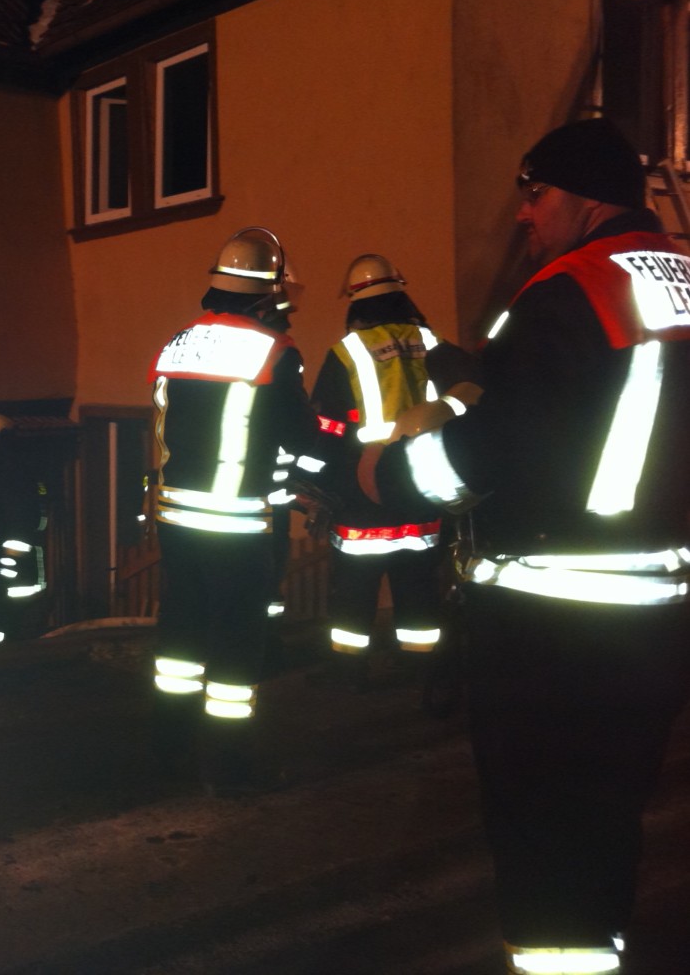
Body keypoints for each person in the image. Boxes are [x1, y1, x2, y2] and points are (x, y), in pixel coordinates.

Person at [368, 117, 690, 974]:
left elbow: (495, 453)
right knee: (606, 819)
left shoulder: (568, 289)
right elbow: (597, 402)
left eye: (534, 193)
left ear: (585, 200)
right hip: (658, 615)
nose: (522, 214)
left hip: (552, 628)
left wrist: (382, 475)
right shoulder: (679, 278)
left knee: (544, 836)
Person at [147, 227, 318, 794]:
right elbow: (298, 434)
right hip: (237, 521)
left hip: (176, 518)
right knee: (236, 642)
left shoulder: (177, 343)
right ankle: (228, 767)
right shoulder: (274, 351)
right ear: (269, 293)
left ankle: (167, 750)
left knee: (181, 632)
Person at [308, 254, 479, 692]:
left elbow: (326, 426)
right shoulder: (433, 341)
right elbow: (467, 399)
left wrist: (320, 483)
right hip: (423, 485)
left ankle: (348, 676)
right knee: (419, 587)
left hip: (362, 494)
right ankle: (423, 674)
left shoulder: (347, 352)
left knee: (353, 594)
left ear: (355, 302)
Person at [0, 412, 48, 645]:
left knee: (7, 621)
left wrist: (8, 563)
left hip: (11, 566)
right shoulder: (14, 470)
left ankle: (1, 653)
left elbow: (18, 519)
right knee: (6, 620)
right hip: (7, 562)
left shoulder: (10, 474)